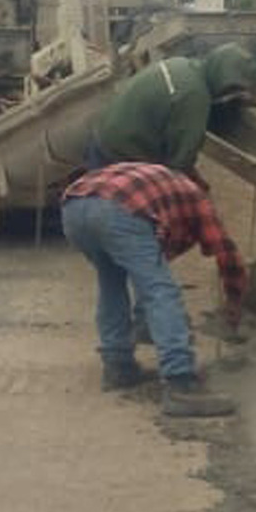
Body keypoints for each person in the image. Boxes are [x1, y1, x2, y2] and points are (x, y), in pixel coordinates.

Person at [60, 163, 241, 420]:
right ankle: (180, 383)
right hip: (117, 208)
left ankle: (118, 367)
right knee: (161, 289)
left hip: (74, 207)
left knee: (111, 280)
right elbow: (227, 255)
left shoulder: (164, 190)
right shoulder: (199, 201)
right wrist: (234, 301)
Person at [90, 45, 256, 176]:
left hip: (102, 137)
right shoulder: (194, 96)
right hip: (120, 157)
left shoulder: (183, 65)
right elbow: (180, 164)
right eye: (232, 90)